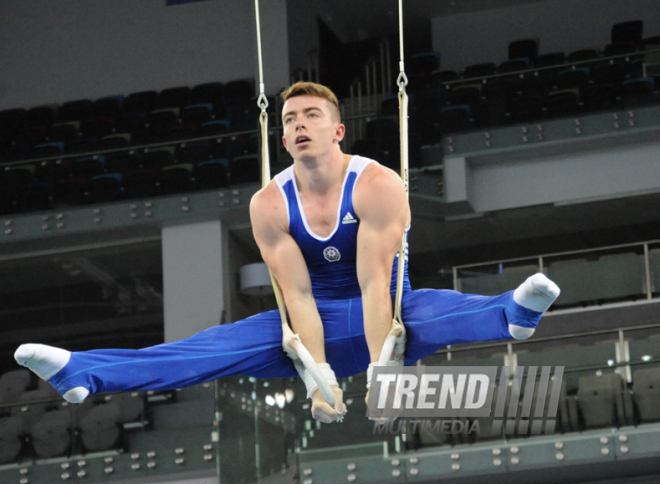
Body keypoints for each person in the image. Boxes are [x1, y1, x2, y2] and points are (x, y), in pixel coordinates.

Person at [15, 82, 560, 424]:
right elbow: (295, 292)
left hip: (386, 313)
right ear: (283, 139)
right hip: (304, 327)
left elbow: (377, 283)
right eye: (291, 120)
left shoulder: (376, 184)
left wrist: (384, 376)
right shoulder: (270, 203)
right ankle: (81, 372)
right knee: (208, 350)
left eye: (311, 116)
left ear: (338, 129)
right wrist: (317, 378)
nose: (299, 125)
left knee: (432, 311)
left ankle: (512, 314)